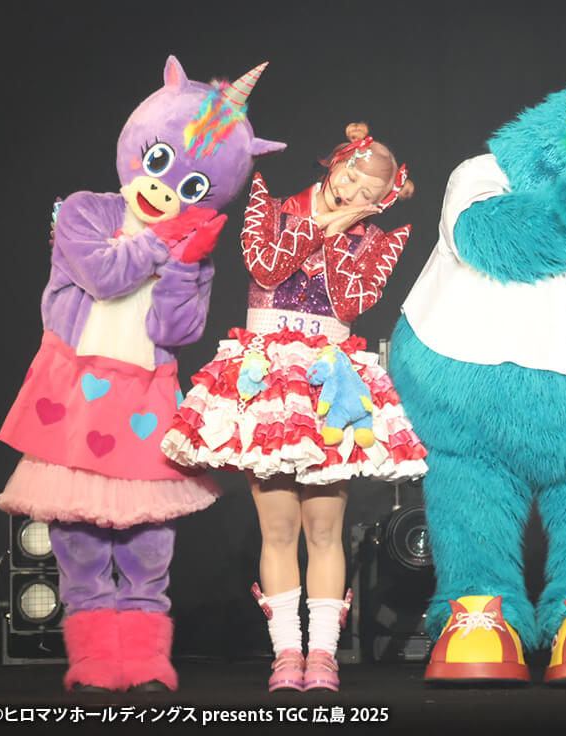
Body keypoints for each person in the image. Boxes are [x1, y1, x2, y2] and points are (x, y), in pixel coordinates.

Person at [0, 56, 285, 692]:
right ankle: (94, 661)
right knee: (77, 535)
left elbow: (176, 331)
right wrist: (163, 241)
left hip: (145, 395)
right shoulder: (86, 211)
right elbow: (102, 276)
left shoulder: (194, 255)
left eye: (191, 186)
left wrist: (185, 266)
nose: (165, 189)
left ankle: (148, 659)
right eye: (159, 162)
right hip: (74, 390)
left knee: (148, 541)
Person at [161, 124, 426, 691]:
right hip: (268, 380)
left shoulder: (381, 240)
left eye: (368, 193)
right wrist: (321, 225)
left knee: (325, 529)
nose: (351, 192)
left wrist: (344, 230)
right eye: (350, 176)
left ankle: (323, 655)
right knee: (278, 527)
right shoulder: (269, 205)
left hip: (329, 382)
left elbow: (352, 301)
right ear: (337, 160)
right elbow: (266, 267)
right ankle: (286, 654)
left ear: (382, 201)